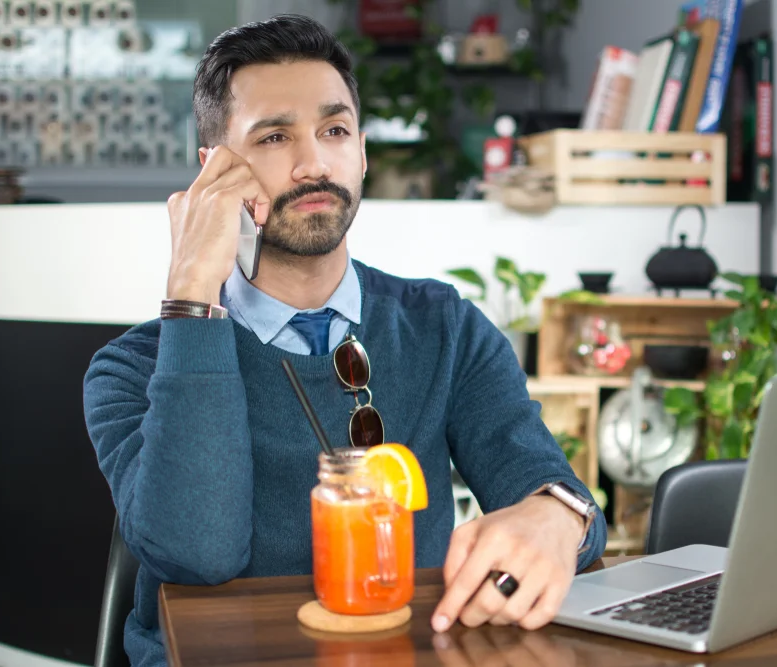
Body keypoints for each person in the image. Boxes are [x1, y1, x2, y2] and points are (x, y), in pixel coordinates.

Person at [83, 14, 605, 667]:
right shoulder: (131, 369)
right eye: (275, 136)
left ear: (361, 151)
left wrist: (555, 516)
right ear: (213, 173)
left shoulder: (443, 326)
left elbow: (554, 491)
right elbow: (197, 552)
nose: (313, 162)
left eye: (334, 130)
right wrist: (192, 287)